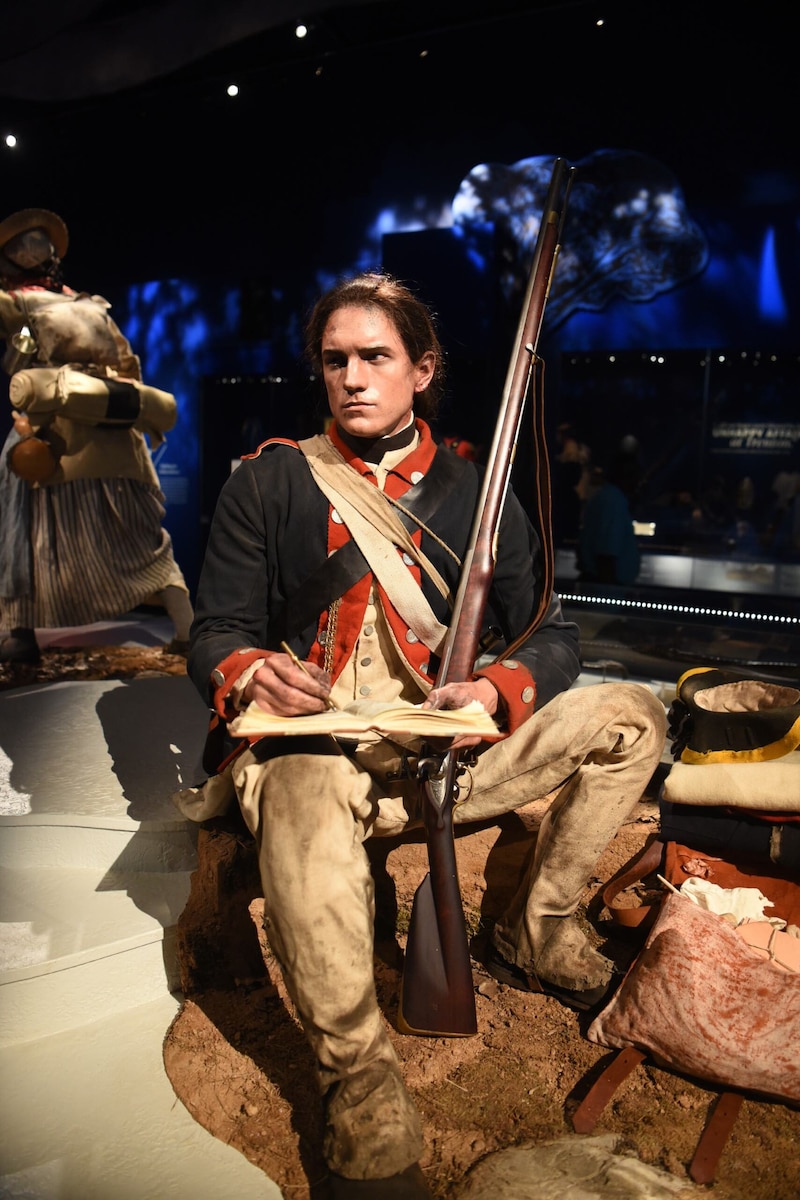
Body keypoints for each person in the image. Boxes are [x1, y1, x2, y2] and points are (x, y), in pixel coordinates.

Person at [187, 272, 667, 1198]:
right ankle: (362, 1089)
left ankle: (535, 927)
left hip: (440, 752)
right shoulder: (270, 480)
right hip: (317, 753)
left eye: (376, 357)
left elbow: (551, 634)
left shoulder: (475, 491)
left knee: (631, 716)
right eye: (336, 360)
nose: (352, 378)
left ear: (423, 368)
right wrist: (250, 669)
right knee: (301, 785)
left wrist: (494, 687)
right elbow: (216, 631)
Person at [0, 208, 194, 663]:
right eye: (24, 245)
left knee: (27, 522)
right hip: (103, 433)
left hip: (66, 434)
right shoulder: (85, 305)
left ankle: (21, 632)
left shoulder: (26, 304)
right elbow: (127, 367)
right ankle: (187, 626)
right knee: (139, 538)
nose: (30, 251)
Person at [577, 447, 642, 586]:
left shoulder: (605, 497)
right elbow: (606, 554)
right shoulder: (614, 501)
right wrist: (610, 591)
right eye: (635, 475)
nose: (638, 482)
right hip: (607, 586)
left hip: (600, 583)